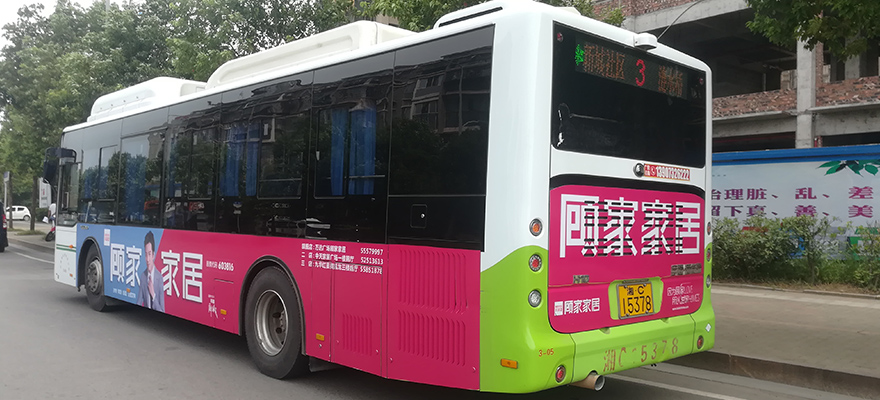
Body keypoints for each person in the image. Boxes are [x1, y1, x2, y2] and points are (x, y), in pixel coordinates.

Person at [136, 231, 165, 312]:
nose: (147, 259)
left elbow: (162, 310)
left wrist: (153, 295)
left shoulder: (159, 278)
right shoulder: (143, 276)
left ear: (153, 255)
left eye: (149, 254)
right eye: (146, 254)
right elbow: (139, 301)